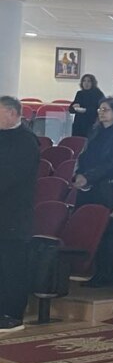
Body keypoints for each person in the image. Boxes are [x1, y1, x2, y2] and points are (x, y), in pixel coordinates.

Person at [0, 96, 40, 333]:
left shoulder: (26, 140)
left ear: (12, 113)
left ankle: (13, 314)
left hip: (14, 214)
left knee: (12, 265)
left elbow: (11, 176)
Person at [73, 97, 113, 210]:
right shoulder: (95, 131)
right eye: (100, 109)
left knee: (100, 216)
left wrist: (88, 177)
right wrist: (79, 173)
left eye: (105, 110)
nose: (101, 112)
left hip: (107, 184)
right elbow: (85, 154)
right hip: (88, 181)